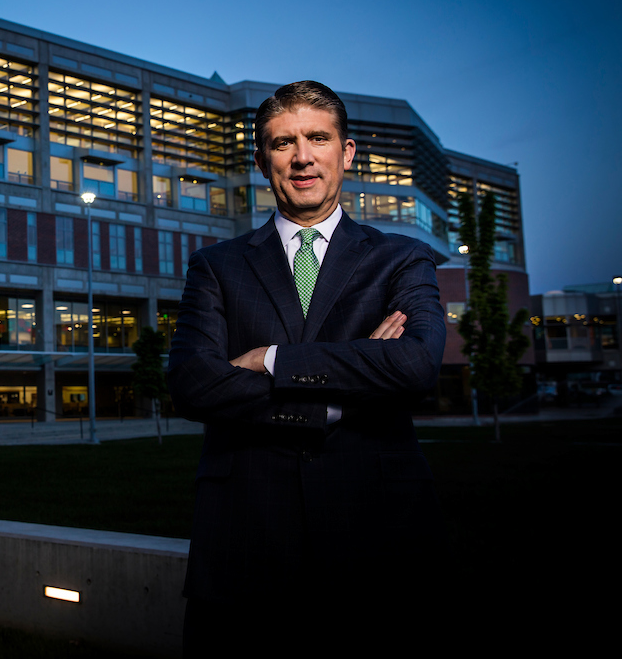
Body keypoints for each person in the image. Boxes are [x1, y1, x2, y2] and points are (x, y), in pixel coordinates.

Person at [168, 81, 446, 641]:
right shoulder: (216, 266)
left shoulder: (401, 258)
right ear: (260, 159)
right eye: (282, 142)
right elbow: (193, 383)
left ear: (345, 153)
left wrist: (274, 359)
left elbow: (417, 365)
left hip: (377, 528)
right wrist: (345, 388)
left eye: (318, 138)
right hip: (245, 532)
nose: (301, 157)